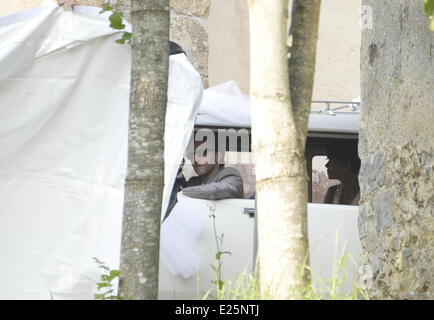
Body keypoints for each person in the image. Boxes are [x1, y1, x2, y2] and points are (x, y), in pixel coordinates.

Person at [163, 138, 244, 221]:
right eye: (192, 155)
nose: (196, 159)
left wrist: (184, 193)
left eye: (203, 153)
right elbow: (171, 196)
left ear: (218, 156)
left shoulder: (230, 173)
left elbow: (223, 189)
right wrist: (177, 168)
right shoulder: (193, 182)